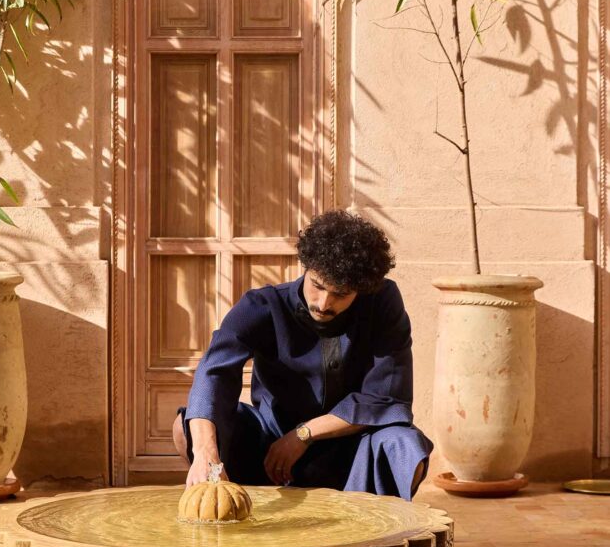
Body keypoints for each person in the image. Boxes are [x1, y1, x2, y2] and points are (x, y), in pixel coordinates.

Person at [172, 210, 432, 500]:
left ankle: (378, 533)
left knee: (405, 445)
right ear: (306, 268)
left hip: (352, 449)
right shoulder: (262, 305)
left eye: (341, 294)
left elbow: (386, 397)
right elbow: (213, 373)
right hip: (269, 447)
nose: (323, 303)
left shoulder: (382, 303)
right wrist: (207, 454)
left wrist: (303, 434)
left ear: (362, 289)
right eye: (318, 286)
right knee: (187, 427)